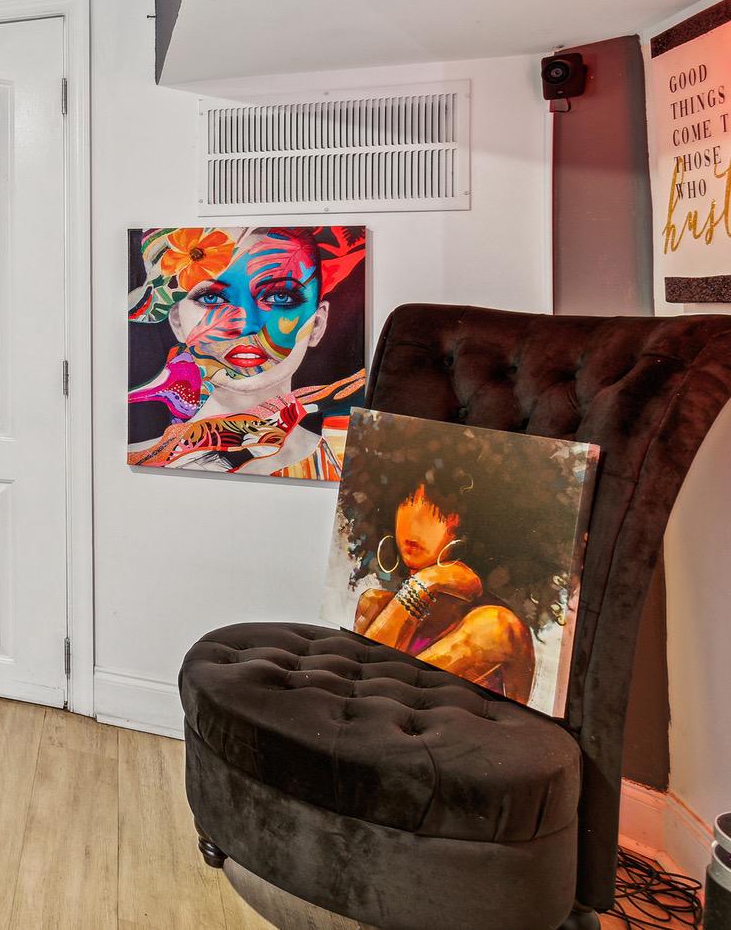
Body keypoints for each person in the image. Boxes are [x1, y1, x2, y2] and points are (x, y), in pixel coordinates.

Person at [333, 417, 584, 703]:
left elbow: (387, 690)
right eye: (406, 500)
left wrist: (425, 584)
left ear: (472, 524)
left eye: (437, 508)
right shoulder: (375, 604)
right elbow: (359, 693)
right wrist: (424, 584)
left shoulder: (497, 626)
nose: (415, 520)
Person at [127, 226, 365, 478]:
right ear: (177, 322)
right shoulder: (134, 463)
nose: (245, 324)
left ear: (317, 324)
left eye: (280, 297)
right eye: (211, 298)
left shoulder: (359, 469)